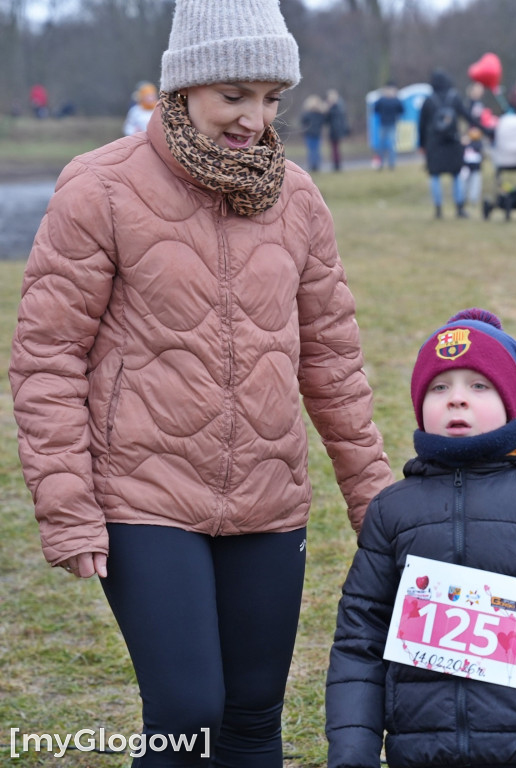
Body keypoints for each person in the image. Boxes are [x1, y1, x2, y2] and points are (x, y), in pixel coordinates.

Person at [9, 1, 393, 766]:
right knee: (188, 712)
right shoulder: (98, 187)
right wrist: (68, 505)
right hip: (142, 495)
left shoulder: (299, 198)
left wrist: (374, 501)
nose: (255, 118)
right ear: (183, 88)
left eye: (271, 98)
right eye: (234, 95)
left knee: (254, 718)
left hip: (268, 496)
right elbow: (48, 358)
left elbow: (332, 362)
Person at [325, 307, 516, 768]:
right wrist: (352, 753)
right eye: (439, 387)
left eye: (479, 386)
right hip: (422, 750)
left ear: (512, 402)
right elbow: (359, 637)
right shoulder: (392, 510)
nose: (456, 400)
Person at [419, 68, 491, 219]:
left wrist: (422, 145)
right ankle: (459, 208)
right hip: (453, 141)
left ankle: (438, 210)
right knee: (456, 175)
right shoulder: (454, 98)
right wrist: (486, 130)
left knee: (434, 176)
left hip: (434, 144)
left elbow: (421, 125)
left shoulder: (428, 101)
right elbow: (468, 117)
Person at [373, 82, 404, 170]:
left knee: (391, 146)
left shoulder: (394, 100)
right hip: (384, 124)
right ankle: (381, 164)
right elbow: (376, 109)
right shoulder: (382, 100)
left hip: (391, 125)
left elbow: (401, 109)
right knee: (382, 146)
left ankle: (391, 164)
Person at [300, 94, 326, 172]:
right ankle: (315, 165)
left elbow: (303, 121)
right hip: (316, 134)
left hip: (310, 134)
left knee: (312, 150)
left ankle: (313, 165)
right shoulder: (320, 114)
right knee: (316, 150)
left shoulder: (307, 114)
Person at [325, 88, 349, 171]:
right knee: (335, 148)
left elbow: (329, 119)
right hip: (336, 130)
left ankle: (336, 165)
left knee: (335, 148)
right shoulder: (340, 106)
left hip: (335, 130)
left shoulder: (334, 107)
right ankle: (337, 164)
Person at [460, 126, 484, 208]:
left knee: (475, 184)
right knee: (464, 184)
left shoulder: (478, 143)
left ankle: (473, 199)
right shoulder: (464, 142)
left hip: (476, 167)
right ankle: (462, 199)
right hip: (465, 167)